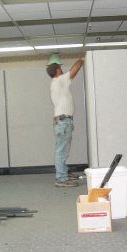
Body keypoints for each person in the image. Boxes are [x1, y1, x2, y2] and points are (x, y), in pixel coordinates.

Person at [46, 55, 84, 187]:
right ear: (57, 71)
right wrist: (81, 60)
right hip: (63, 122)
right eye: (60, 68)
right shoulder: (59, 80)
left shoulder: (57, 83)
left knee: (62, 151)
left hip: (62, 121)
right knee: (61, 151)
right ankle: (61, 179)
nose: (62, 70)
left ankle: (63, 174)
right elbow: (73, 71)